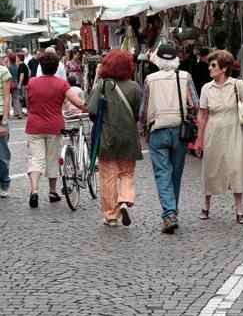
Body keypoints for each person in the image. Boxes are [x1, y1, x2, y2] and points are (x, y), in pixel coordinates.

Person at [139, 44, 199, 234]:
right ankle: (172, 211)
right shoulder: (185, 77)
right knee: (176, 173)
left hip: (158, 130)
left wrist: (144, 127)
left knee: (162, 173)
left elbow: (143, 110)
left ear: (159, 60)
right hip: (179, 130)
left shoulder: (150, 79)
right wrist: (187, 116)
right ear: (175, 60)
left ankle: (169, 213)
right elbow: (195, 105)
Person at [195, 50, 243, 224]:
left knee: (236, 167)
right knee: (211, 167)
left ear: (224, 68)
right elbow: (202, 115)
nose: (209, 68)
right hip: (213, 131)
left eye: (213, 65)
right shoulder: (206, 88)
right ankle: (206, 204)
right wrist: (199, 139)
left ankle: (239, 209)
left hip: (235, 130)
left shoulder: (238, 85)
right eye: (209, 64)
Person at [86, 50, 142, 227]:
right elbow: (138, 112)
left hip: (107, 136)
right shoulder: (134, 87)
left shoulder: (102, 85)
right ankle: (125, 200)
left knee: (108, 177)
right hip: (129, 137)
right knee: (127, 172)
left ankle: (111, 216)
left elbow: (92, 110)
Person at [25, 51, 86, 208]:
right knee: (52, 158)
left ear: (41, 66)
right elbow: (78, 102)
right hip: (54, 125)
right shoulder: (62, 84)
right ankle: (52, 192)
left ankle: (34, 190)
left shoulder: (32, 82)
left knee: (35, 158)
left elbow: (28, 103)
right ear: (56, 67)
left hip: (34, 124)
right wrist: (92, 107)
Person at [0, 61, 12, 198]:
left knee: (2, 156)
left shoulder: (3, 71)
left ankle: (4, 184)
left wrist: (4, 122)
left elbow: (7, 97)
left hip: (0, 117)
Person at [7, 54, 21, 119]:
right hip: (16, 83)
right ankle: (18, 113)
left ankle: (7, 114)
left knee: (7, 98)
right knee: (16, 99)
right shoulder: (16, 66)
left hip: (10, 84)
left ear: (9, 59)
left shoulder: (9, 67)